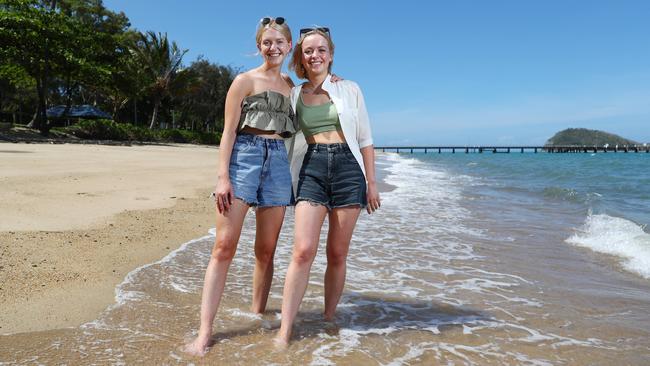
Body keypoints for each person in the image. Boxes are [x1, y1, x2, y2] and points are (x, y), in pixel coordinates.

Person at [184, 17, 297, 356]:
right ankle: (205, 332)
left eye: (279, 42)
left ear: (289, 46)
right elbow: (228, 132)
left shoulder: (292, 86)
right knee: (224, 246)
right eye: (267, 42)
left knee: (266, 250)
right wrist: (223, 177)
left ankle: (257, 315)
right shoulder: (244, 81)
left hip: (278, 163)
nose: (273, 48)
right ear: (259, 46)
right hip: (243, 159)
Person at [275, 27, 380, 346]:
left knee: (337, 253)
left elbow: (365, 139)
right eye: (308, 51)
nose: (315, 55)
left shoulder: (349, 89)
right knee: (303, 250)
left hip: (349, 169)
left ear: (330, 54)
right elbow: (282, 135)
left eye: (321, 49)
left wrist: (372, 184)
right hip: (313, 167)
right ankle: (285, 330)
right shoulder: (293, 93)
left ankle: (329, 318)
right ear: (301, 58)